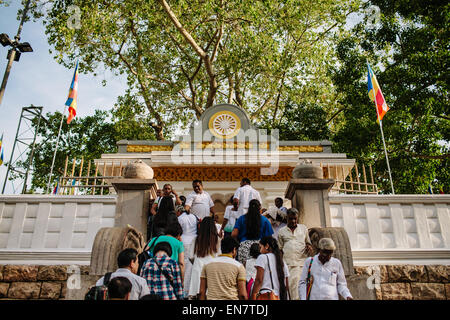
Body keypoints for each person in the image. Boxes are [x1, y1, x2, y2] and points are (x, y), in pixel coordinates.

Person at [278, 207, 313, 300]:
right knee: (290, 289)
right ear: (287, 218)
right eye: (291, 219)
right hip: (288, 264)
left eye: (295, 219)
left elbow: (308, 242)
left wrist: (309, 246)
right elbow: (280, 249)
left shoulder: (303, 228)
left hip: (301, 263)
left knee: (298, 288)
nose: (293, 221)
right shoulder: (281, 231)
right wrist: (281, 264)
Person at [199, 236, 247, 300]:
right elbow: (242, 294)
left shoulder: (207, 264)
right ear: (234, 250)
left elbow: (202, 292)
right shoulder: (239, 266)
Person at [232, 199, 273, 265]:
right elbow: (269, 238)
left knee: (244, 272)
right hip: (259, 248)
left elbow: (234, 234)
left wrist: (238, 243)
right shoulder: (265, 220)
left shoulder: (241, 218)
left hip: (244, 247)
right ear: (260, 208)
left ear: (249, 208)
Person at [187, 216, 220, 298]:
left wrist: (195, 261)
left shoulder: (196, 239)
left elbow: (190, 256)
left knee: (199, 292)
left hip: (198, 266)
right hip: (212, 267)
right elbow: (219, 255)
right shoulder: (217, 240)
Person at [250, 236, 290, 300]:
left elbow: (259, 280)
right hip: (279, 296)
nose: (260, 251)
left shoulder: (262, 257)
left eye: (261, 247)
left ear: (266, 246)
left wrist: (253, 295)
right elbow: (286, 284)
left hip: (266, 295)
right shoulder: (282, 262)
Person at [177, 204, 198, 296]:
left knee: (184, 263)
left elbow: (179, 230)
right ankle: (191, 289)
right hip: (194, 240)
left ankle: (184, 289)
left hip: (184, 240)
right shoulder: (194, 217)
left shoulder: (180, 217)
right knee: (193, 265)